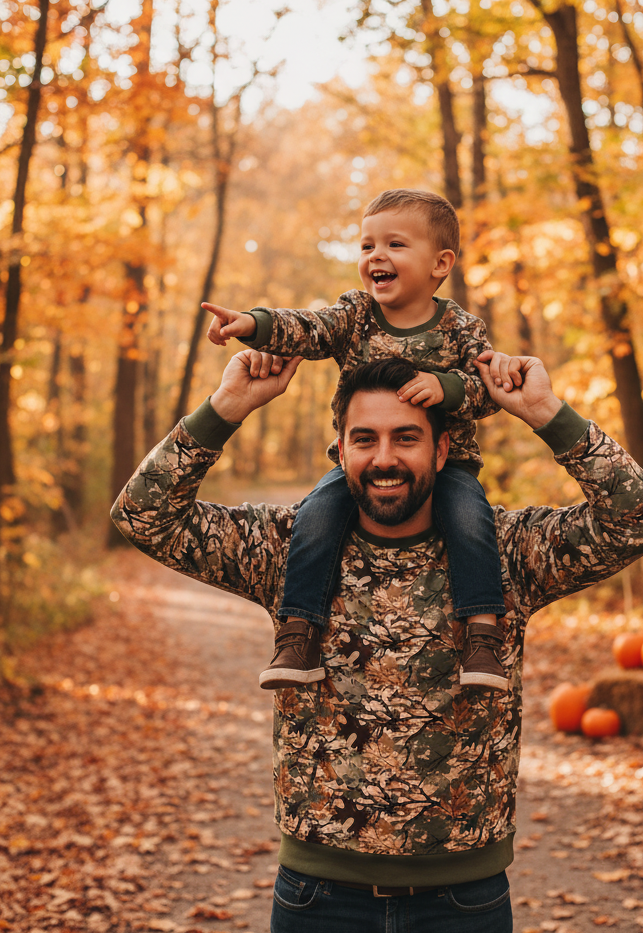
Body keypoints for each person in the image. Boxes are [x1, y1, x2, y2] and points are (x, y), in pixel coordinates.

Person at [111, 346, 643, 933]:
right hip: (319, 903)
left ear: (443, 448)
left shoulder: (505, 553)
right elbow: (143, 515)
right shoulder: (289, 550)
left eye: (406, 438)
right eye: (365, 438)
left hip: (464, 906)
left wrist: (545, 413)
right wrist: (226, 408)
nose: (385, 458)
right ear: (339, 448)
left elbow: (642, 518)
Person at [201, 188, 526, 693]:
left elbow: (490, 387)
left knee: (470, 520)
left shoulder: (461, 328)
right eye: (367, 246)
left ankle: (482, 636)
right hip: (358, 468)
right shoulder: (354, 315)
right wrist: (254, 326)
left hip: (450, 466)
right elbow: (307, 327)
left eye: (395, 245)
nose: (376, 256)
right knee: (316, 514)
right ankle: (298, 631)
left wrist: (449, 387)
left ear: (441, 263)